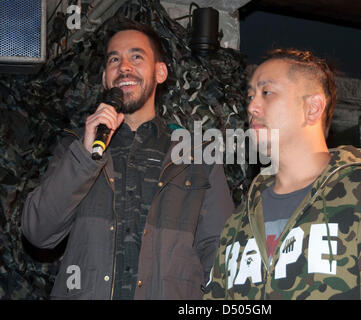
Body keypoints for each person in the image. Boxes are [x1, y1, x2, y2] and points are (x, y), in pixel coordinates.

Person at [21, 18, 233, 300]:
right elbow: (38, 232)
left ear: (160, 72)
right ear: (106, 79)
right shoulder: (78, 149)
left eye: (136, 56)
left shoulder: (198, 156)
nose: (124, 67)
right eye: (114, 60)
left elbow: (222, 253)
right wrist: (85, 156)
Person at [203, 48, 361, 300]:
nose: (252, 106)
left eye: (267, 93)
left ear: (312, 108)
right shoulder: (240, 220)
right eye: (250, 95)